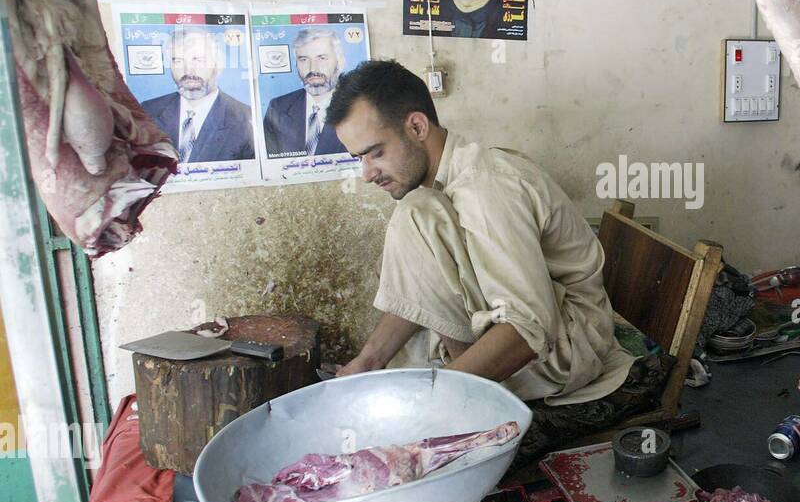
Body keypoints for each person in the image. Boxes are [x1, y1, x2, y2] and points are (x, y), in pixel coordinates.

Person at [327, 59, 668, 467]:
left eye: (375, 154)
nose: (367, 173)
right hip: (541, 324)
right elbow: (422, 284)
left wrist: (435, 404)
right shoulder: (438, 188)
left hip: (567, 343)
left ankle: (447, 394)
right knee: (417, 213)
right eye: (359, 159)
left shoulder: (487, 188)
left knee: (414, 414)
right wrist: (368, 361)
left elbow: (527, 329)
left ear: (417, 127)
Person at [140, 28, 255, 163]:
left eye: (198, 60)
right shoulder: (148, 111)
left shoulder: (244, 119)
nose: (188, 70)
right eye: (178, 61)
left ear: (218, 64)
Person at [262, 28, 348, 157]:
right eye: (303, 59)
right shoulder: (278, 108)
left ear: (340, 62)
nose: (313, 68)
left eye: (322, 58)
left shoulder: (356, 107)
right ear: (296, 65)